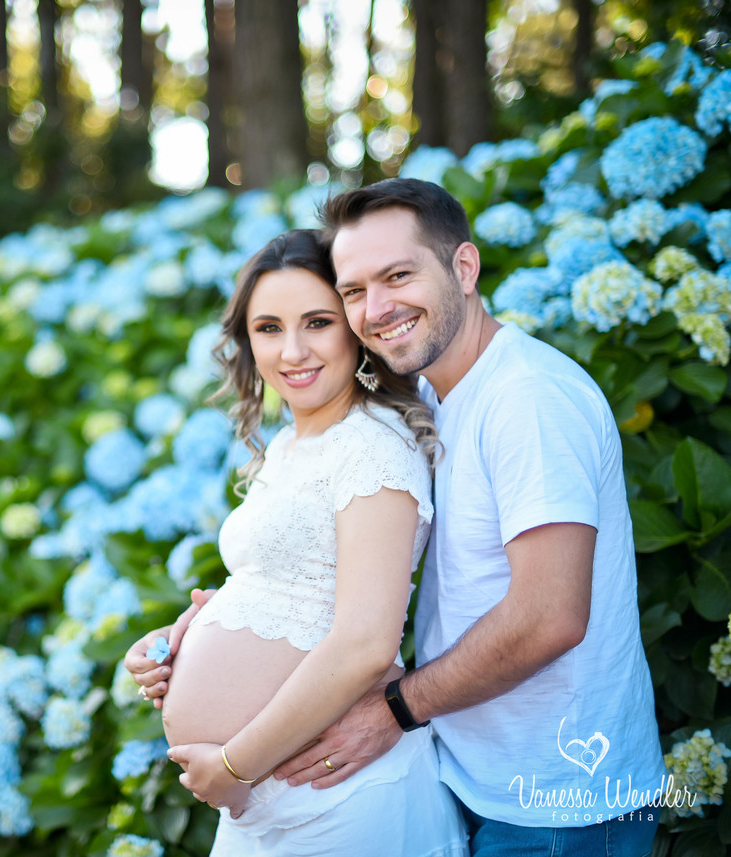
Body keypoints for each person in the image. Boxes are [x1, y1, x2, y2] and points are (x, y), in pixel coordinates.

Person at [128, 179, 666, 856]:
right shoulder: (437, 398)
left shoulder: (527, 399)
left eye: (397, 276)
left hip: (557, 798)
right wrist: (214, 621)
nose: (376, 308)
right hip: (475, 771)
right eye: (353, 290)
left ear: (464, 268)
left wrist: (396, 709)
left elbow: (550, 615)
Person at [150, 228, 468, 856]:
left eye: (317, 322)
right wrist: (177, 641)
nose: (291, 351)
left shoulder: (372, 444)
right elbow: (293, 589)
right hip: (276, 797)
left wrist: (236, 766)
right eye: (268, 328)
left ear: (354, 327)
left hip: (335, 797)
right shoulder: (294, 445)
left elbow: (365, 645)